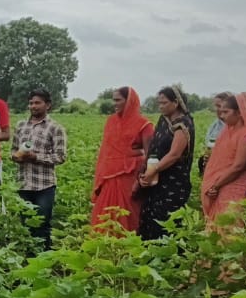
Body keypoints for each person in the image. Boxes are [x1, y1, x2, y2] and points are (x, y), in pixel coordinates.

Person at [90, 87, 153, 233]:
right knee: (105, 215)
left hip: (130, 177)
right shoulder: (111, 121)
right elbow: (106, 150)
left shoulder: (144, 125)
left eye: (118, 100)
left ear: (129, 101)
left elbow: (150, 155)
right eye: (114, 100)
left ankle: (127, 251)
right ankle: (104, 250)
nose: (114, 103)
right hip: (109, 177)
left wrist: (141, 179)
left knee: (128, 214)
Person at [137, 86, 196, 240]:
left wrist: (153, 170)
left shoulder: (183, 124)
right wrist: (146, 171)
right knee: (149, 218)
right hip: (156, 179)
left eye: (164, 103)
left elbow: (174, 154)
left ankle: (168, 260)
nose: (160, 106)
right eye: (159, 103)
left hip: (173, 182)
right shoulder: (164, 121)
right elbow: (153, 148)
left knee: (166, 223)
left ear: (175, 102)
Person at [11, 88, 67, 249]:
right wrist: (16, 157)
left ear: (47, 105)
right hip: (23, 183)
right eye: (31, 103)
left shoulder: (55, 128)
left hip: (44, 185)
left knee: (42, 224)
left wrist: (37, 157)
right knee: (26, 224)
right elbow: (13, 150)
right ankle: (29, 259)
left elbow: (61, 156)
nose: (33, 106)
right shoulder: (21, 125)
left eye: (37, 103)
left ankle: (44, 260)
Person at [201, 92, 246, 225]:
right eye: (221, 112)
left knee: (230, 228)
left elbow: (238, 166)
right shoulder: (227, 132)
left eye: (226, 112)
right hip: (223, 185)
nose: (221, 116)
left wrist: (216, 185)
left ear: (240, 112)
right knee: (216, 230)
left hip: (235, 188)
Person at [198, 93, 229, 175]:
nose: (216, 109)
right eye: (216, 106)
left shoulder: (232, 127)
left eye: (219, 106)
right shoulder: (214, 125)